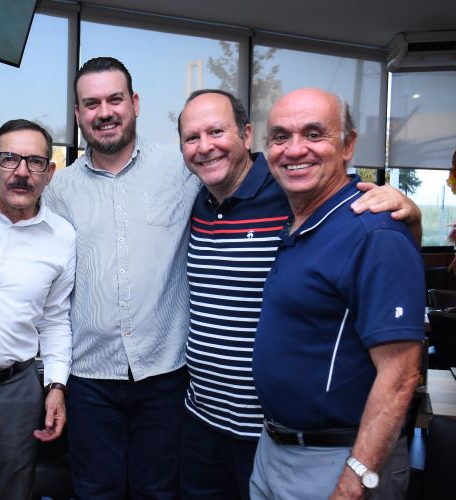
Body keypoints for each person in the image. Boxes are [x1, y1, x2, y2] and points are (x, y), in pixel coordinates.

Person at [176, 89, 421, 499]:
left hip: (285, 437)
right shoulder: (196, 200)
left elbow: (401, 370)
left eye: (217, 131)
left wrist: (406, 216)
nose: (205, 147)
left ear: (246, 136)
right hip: (213, 423)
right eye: (191, 137)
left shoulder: (310, 197)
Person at [249, 88, 425, 499]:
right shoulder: (301, 221)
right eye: (280, 137)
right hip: (277, 449)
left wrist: (353, 481)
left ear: (348, 145)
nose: (295, 149)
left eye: (314, 134)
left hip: (339, 461)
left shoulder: (374, 231)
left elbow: (401, 375)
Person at [43, 57, 201, 498]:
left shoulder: (182, 169)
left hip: (166, 373)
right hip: (89, 379)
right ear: (78, 114)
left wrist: (365, 195)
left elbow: (245, 179)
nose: (104, 112)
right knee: (95, 491)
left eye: (115, 99)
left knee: (160, 492)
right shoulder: (58, 191)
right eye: (91, 104)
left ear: (135, 103)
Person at [0, 119, 75, 500]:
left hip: (17, 393)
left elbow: (55, 320)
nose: (22, 172)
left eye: (34, 162)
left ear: (49, 173)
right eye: (9, 159)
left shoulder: (62, 237)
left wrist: (56, 386)